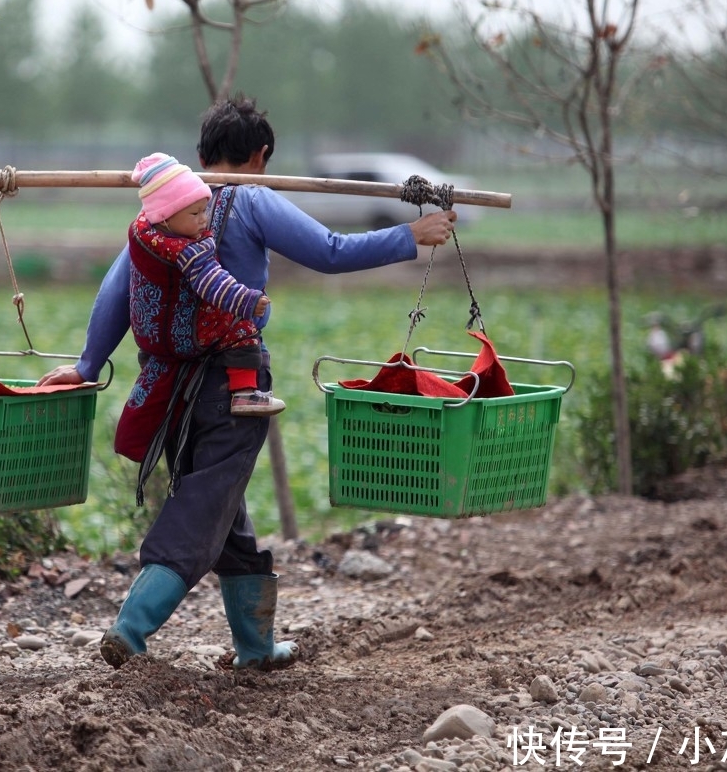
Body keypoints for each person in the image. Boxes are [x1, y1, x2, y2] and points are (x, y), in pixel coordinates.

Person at [38, 95, 457, 671]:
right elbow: (330, 253)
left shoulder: (163, 213)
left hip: (170, 387)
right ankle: (131, 626)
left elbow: (118, 288)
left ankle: (256, 648)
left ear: (203, 153)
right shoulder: (253, 199)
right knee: (207, 502)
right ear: (261, 156)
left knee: (224, 508)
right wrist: (410, 236)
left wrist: (86, 366)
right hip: (234, 385)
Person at [128, 151, 285, 418]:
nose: (204, 219)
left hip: (150, 337)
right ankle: (245, 393)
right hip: (186, 338)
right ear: (166, 215)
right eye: (195, 212)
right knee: (242, 329)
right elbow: (214, 284)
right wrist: (247, 301)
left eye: (205, 210)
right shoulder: (190, 250)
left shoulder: (142, 231)